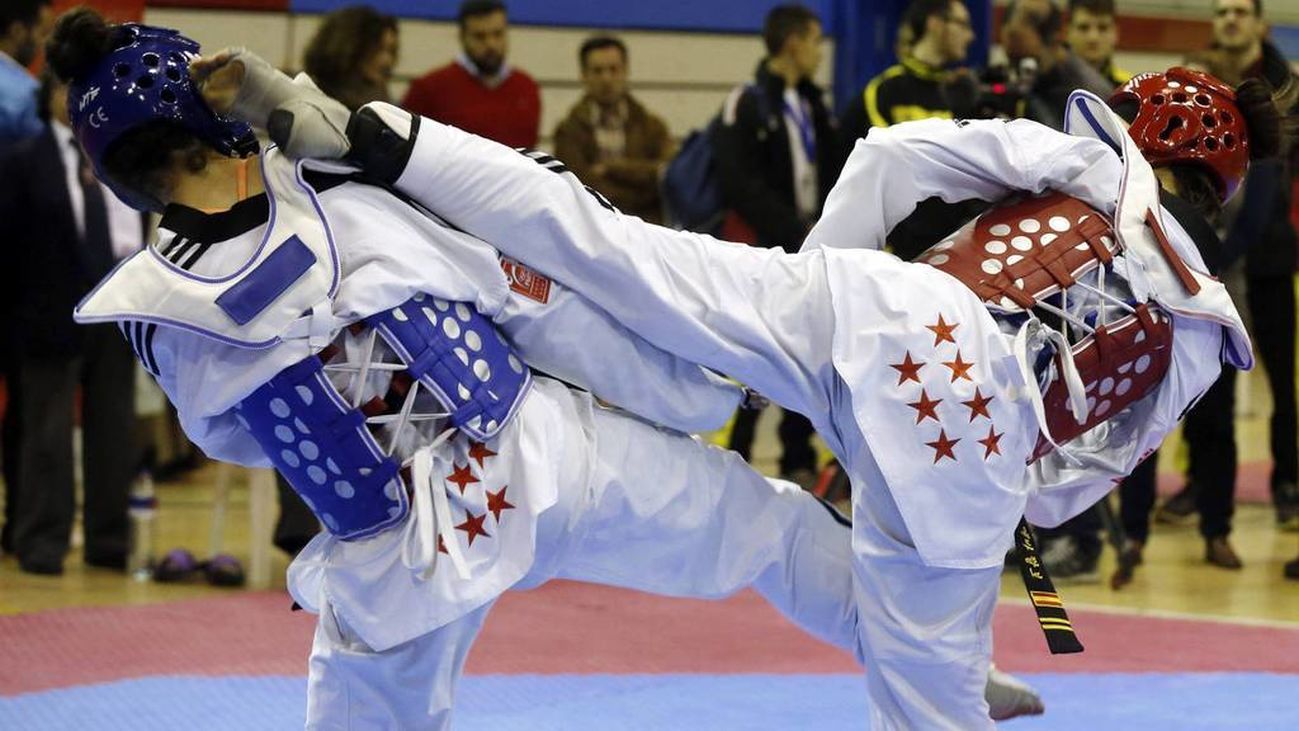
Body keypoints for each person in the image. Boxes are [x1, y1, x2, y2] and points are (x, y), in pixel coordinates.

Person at [51, 11, 1045, 725]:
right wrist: (692, 380)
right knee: (775, 532)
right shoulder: (357, 199)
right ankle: (944, 670)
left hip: (401, 556)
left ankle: (947, 671)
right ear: (215, 110)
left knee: (360, 708)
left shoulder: (160, 313)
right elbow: (534, 296)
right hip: (548, 459)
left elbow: (222, 432)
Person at [269, 63, 1279, 725]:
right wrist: (977, 507)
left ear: (1137, 134)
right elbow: (1086, 468)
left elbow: (887, 155)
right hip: (972, 446)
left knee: (610, 245)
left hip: (881, 312)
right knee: (927, 703)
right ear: (1221, 190)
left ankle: (373, 136)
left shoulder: (1085, 162)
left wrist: (816, 307)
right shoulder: (1207, 319)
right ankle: (948, 665)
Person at [0, 70, 143, 575]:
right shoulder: (22, 161)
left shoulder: (120, 158)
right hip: (47, 311)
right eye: (71, 87)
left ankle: (109, 541)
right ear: (51, 95)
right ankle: (42, 541)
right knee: (48, 435)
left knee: (113, 428)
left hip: (115, 305)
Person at [713, 5, 839, 488]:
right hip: (763, 252)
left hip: (806, 251)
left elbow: (829, 170)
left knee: (806, 355)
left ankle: (797, 455)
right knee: (751, 355)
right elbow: (738, 182)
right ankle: (735, 455)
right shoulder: (746, 102)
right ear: (793, 42)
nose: (818, 52)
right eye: (814, 40)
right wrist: (790, 229)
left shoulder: (811, 103)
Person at [0, 0, 52, 557]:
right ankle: (20, 526)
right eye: (38, 30)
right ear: (17, 29)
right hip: (21, 268)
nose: (40, 41)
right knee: (28, 406)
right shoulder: (20, 94)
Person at [552, 36, 673, 225]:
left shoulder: (653, 127)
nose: (606, 78)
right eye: (598, 71)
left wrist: (612, 168)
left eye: (613, 69)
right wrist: (639, 186)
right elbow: (578, 189)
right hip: (593, 231)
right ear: (583, 75)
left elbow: (665, 177)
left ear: (626, 71)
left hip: (647, 234)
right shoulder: (568, 132)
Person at [838, 0, 975, 159]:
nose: (971, 36)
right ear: (935, 23)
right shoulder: (883, 92)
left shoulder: (961, 93)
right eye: (963, 24)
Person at [400, 0, 539, 148]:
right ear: (462, 37)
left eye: (497, 34)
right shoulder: (429, 89)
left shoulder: (527, 88)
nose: (491, 44)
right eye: (480, 36)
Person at [1000, 0, 1115, 129]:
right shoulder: (1036, 82)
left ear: (1055, 39)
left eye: (1024, 59)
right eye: (1012, 60)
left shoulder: (1090, 95)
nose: (1019, 69)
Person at [301, 4, 398, 111]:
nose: (387, 60)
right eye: (378, 49)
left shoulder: (385, 104)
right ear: (350, 47)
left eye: (391, 50)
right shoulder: (310, 101)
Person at [1065, 0, 1131, 88]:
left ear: (1116, 33)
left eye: (1102, 28)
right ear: (1067, 32)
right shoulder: (1051, 84)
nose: (1093, 38)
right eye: (1084, 28)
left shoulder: (1128, 86)